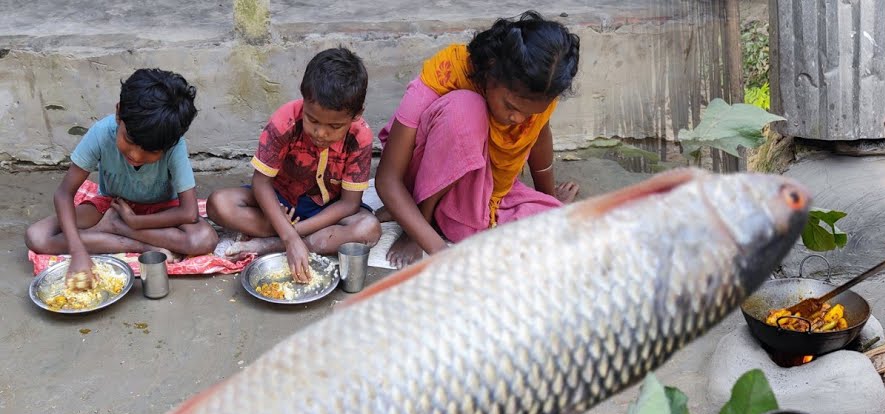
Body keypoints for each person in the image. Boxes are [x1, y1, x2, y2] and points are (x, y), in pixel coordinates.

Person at [375, 11, 581, 268]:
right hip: (422, 175)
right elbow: (387, 178)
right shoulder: (446, 71)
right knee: (466, 109)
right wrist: (439, 252)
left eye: (529, 114)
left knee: (561, 230)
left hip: (480, 190)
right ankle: (418, 221)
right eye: (510, 106)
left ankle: (416, 215)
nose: (518, 119)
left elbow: (539, 135)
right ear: (492, 69)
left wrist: (549, 198)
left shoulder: (535, 98)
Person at [25, 68, 216, 288]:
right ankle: (141, 245)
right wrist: (77, 252)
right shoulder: (101, 133)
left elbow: (189, 212)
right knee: (37, 236)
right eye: (129, 140)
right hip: (111, 206)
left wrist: (134, 222)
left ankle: (119, 230)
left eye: (150, 152)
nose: (135, 155)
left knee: (204, 239)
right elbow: (64, 194)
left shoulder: (174, 144)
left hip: (161, 211)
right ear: (119, 113)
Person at [207, 48, 380, 282]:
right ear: (304, 99)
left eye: (335, 126)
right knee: (219, 204)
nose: (321, 133)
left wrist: (291, 236)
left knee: (369, 229)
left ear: (356, 115)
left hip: (326, 210)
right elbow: (261, 182)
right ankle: (290, 239)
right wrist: (287, 231)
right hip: (278, 203)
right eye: (313, 120)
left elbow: (350, 204)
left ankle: (270, 245)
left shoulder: (360, 137)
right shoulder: (285, 120)